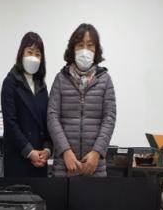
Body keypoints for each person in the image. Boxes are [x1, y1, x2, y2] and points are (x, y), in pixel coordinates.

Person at [47, 23, 116, 177]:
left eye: (90, 45)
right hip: (64, 165)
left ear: (96, 50)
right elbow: (52, 116)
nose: (85, 50)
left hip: (94, 166)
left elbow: (109, 118)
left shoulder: (105, 80)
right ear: (73, 48)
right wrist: (65, 151)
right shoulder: (60, 79)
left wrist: (97, 152)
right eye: (80, 45)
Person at [1, 32, 51, 177]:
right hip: (18, 156)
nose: (33, 57)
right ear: (21, 54)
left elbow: (47, 120)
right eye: (29, 52)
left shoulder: (42, 85)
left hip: (40, 157)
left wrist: (47, 149)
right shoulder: (10, 82)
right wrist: (29, 152)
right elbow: (10, 123)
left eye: (38, 54)